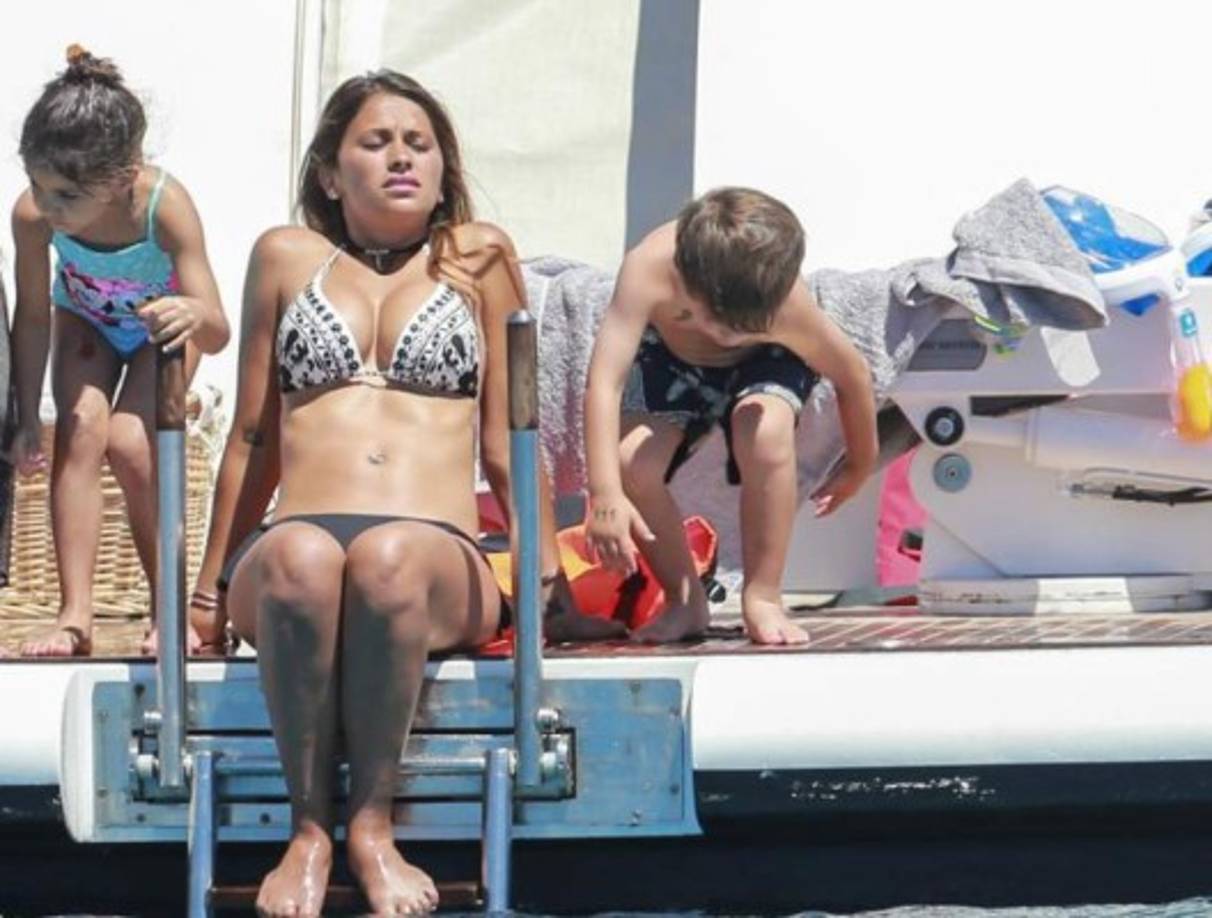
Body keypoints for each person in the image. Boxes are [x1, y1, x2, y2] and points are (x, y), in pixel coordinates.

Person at [187, 70, 615, 917]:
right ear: (328, 170)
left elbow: (508, 438)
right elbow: (253, 435)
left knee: (384, 561)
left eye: (418, 144)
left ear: (444, 166)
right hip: (300, 528)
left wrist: (539, 555)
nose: (400, 159)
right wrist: (205, 591)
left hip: (434, 548)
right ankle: (309, 831)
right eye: (376, 142)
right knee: (303, 558)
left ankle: (371, 827)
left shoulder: (481, 257)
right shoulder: (283, 255)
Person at [584, 187, 878, 645]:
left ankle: (762, 596)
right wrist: (604, 493)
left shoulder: (784, 308)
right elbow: (605, 381)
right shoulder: (648, 267)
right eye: (718, 321)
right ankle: (685, 599)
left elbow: (853, 375)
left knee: (764, 431)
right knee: (630, 463)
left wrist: (861, 463)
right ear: (685, 280)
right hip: (675, 360)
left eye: (743, 328)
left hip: (767, 360)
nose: (727, 337)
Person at [10, 45, 229, 657]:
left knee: (132, 440)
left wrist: (192, 313)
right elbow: (31, 315)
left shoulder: (166, 208)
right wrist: (28, 414)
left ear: (124, 176)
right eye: (37, 185)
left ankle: (168, 608)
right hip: (86, 319)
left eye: (66, 196)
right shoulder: (33, 218)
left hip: (163, 331)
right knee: (79, 430)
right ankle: (74, 614)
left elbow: (218, 330)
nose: (48, 207)